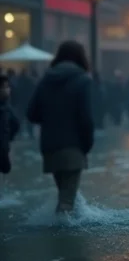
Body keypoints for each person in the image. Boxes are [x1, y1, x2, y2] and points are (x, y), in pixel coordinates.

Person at [26, 41, 94, 213]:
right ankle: (63, 236)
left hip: (50, 147)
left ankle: (64, 227)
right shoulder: (83, 80)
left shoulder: (46, 80)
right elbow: (86, 118)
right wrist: (87, 146)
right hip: (73, 146)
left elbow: (31, 114)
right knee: (66, 200)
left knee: (64, 194)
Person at [0, 72, 20, 176]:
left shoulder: (7, 108)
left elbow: (16, 124)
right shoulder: (6, 109)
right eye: (4, 87)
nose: (8, 90)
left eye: (7, 87)